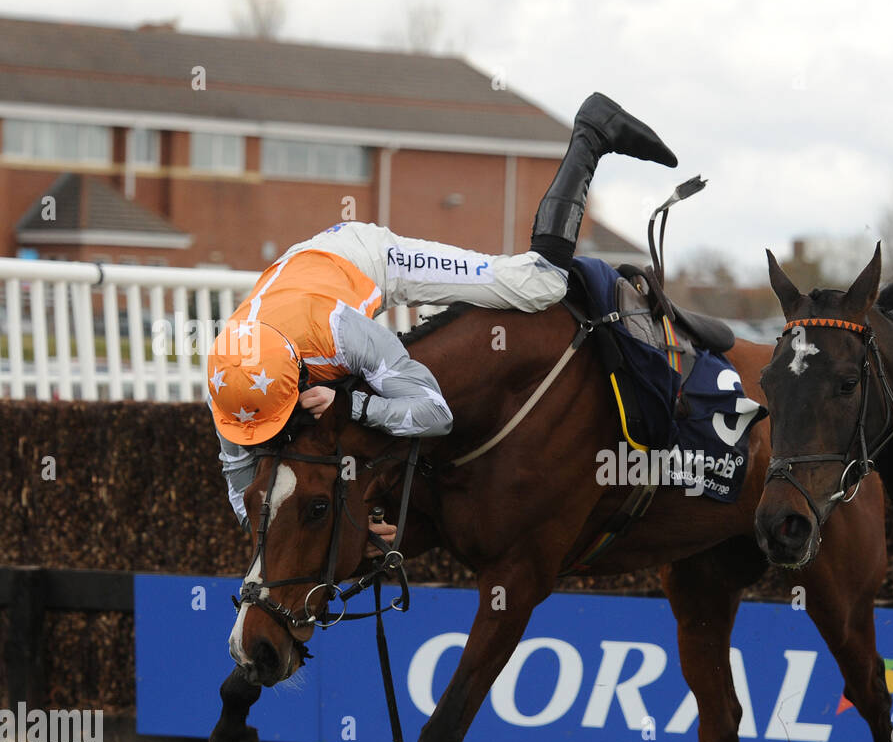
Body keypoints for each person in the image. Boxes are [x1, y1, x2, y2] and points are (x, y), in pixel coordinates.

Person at [207, 92, 676, 531]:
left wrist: (353, 404)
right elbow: (241, 491)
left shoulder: (343, 333)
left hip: (364, 259)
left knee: (541, 284)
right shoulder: (228, 380)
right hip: (299, 280)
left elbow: (435, 414)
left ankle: (592, 132)